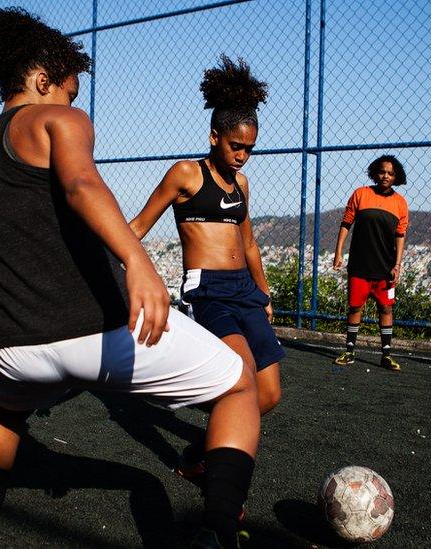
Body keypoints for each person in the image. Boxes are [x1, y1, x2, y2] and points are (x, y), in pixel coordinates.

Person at [0, 8, 260, 549]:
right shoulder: (60, 120)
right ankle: (218, 531)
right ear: (43, 79)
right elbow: (80, 185)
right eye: (71, 92)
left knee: (3, 413)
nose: (75, 105)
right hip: (93, 329)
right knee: (240, 383)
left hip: (14, 349)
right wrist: (138, 261)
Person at [129, 56, 283, 478]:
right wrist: (98, 257)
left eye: (250, 148)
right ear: (215, 136)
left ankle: (197, 454)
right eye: (236, 146)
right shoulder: (185, 174)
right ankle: (222, 485)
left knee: (269, 394)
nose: (243, 156)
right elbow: (138, 226)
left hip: (245, 290)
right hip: (208, 291)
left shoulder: (242, 184)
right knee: (244, 382)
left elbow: (248, 242)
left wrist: (263, 292)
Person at [331, 155, 409, 371]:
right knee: (355, 307)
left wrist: (397, 265)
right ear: (375, 172)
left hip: (385, 268)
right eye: (383, 171)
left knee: (386, 308)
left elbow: (400, 236)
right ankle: (349, 352)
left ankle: (386, 355)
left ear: (396, 177)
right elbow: (346, 223)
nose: (386, 176)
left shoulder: (400, 203)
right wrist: (338, 252)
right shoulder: (361, 194)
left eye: (391, 173)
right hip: (359, 264)